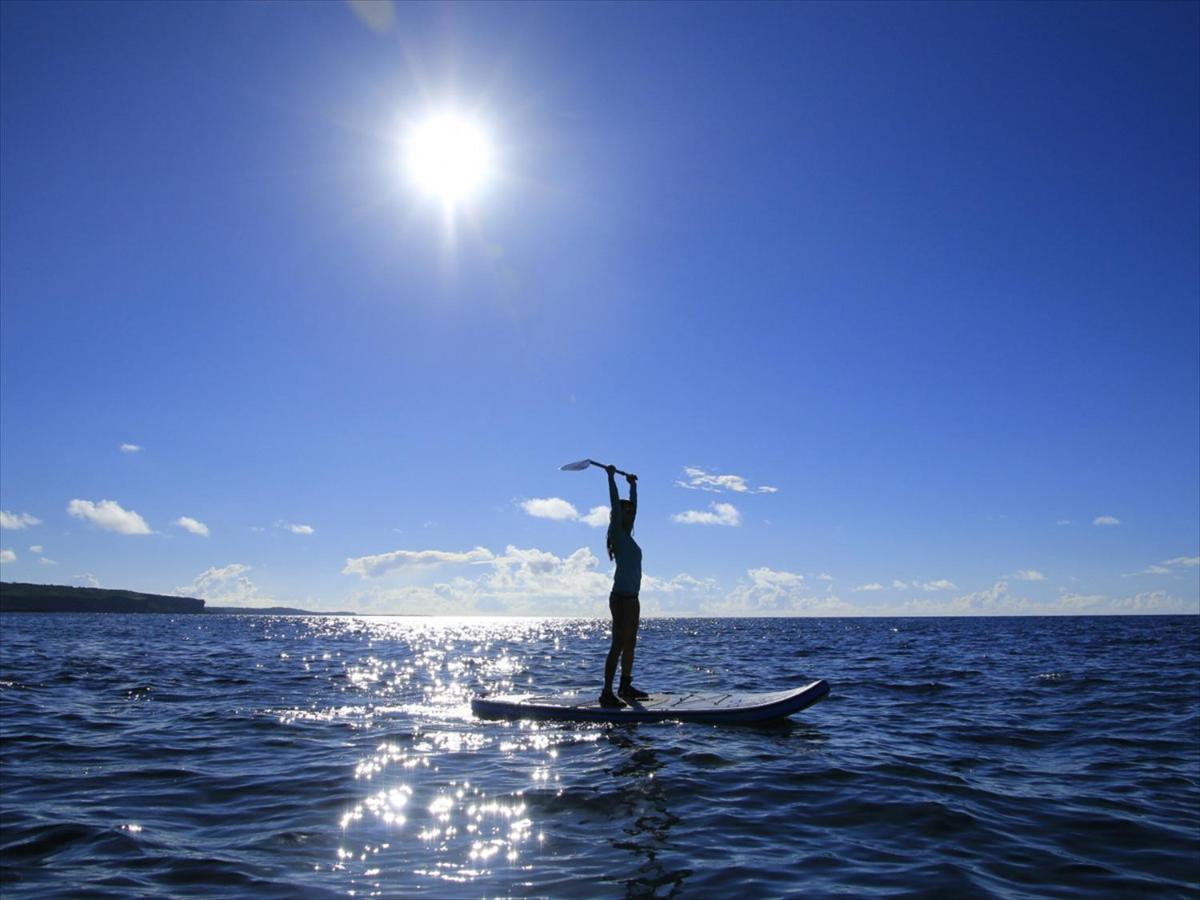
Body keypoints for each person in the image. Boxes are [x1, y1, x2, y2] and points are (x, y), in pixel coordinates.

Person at [600, 464, 648, 708]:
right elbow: (614, 504)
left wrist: (633, 486)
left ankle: (625, 685)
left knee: (631, 642)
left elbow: (635, 508)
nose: (629, 515)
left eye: (630, 512)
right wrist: (611, 478)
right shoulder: (617, 534)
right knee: (618, 643)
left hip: (633, 598)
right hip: (620, 598)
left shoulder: (629, 537)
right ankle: (607, 693)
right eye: (625, 512)